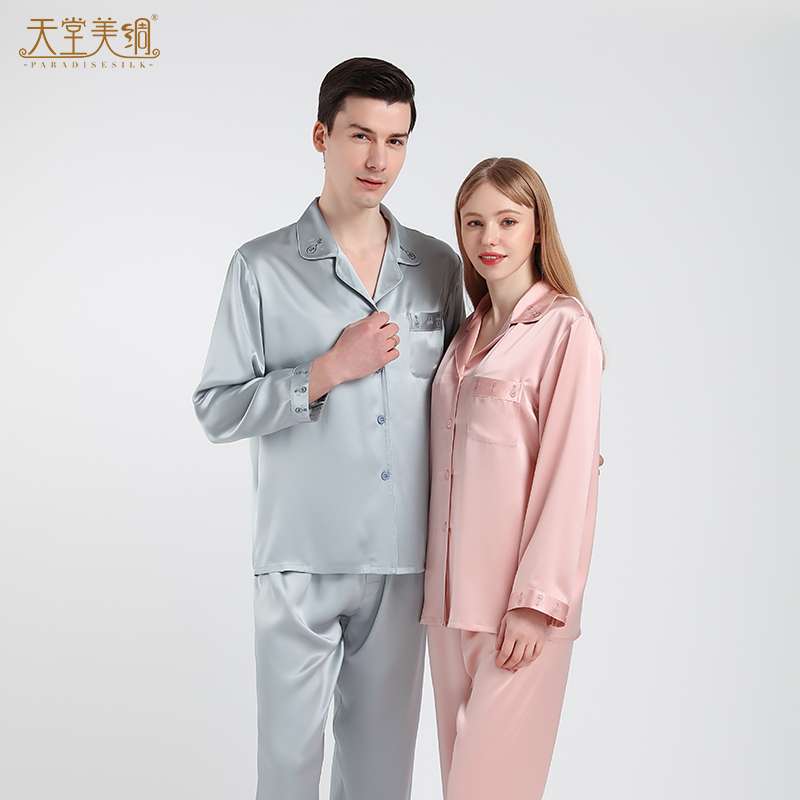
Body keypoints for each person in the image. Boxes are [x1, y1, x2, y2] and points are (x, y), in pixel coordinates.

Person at [191, 58, 465, 800]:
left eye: (396, 141)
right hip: (299, 559)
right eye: (360, 135)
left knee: (381, 777)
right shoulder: (261, 267)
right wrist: (325, 371)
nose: (379, 159)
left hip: (403, 562)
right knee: (287, 772)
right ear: (321, 137)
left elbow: (464, 402)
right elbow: (216, 407)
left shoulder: (437, 267)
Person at [420, 157, 605, 799]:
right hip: (448, 609)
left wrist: (537, 604)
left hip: (519, 612)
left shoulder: (566, 328)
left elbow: (571, 473)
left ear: (536, 228)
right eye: (473, 223)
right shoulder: (464, 336)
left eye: (507, 220)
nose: (488, 238)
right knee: (460, 787)